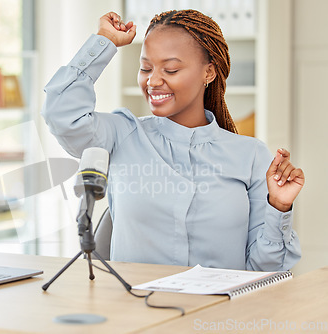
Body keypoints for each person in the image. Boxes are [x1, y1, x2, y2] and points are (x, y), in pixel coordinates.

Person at [41, 9, 304, 271]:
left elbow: (264, 269)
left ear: (209, 73)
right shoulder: (121, 134)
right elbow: (61, 114)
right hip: (137, 306)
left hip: (217, 309)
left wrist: (279, 206)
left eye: (171, 69)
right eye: (145, 68)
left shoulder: (251, 155)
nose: (153, 81)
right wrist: (104, 41)